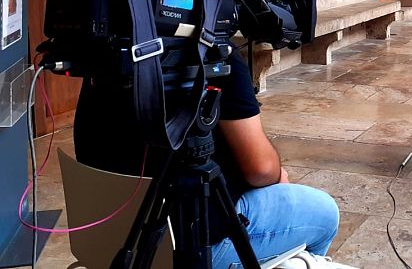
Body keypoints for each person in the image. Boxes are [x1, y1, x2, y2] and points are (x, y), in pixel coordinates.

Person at [73, 52, 346, 268]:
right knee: (324, 213)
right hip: (197, 247)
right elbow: (261, 170)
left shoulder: (101, 59)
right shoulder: (215, 54)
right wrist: (278, 175)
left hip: (110, 245)